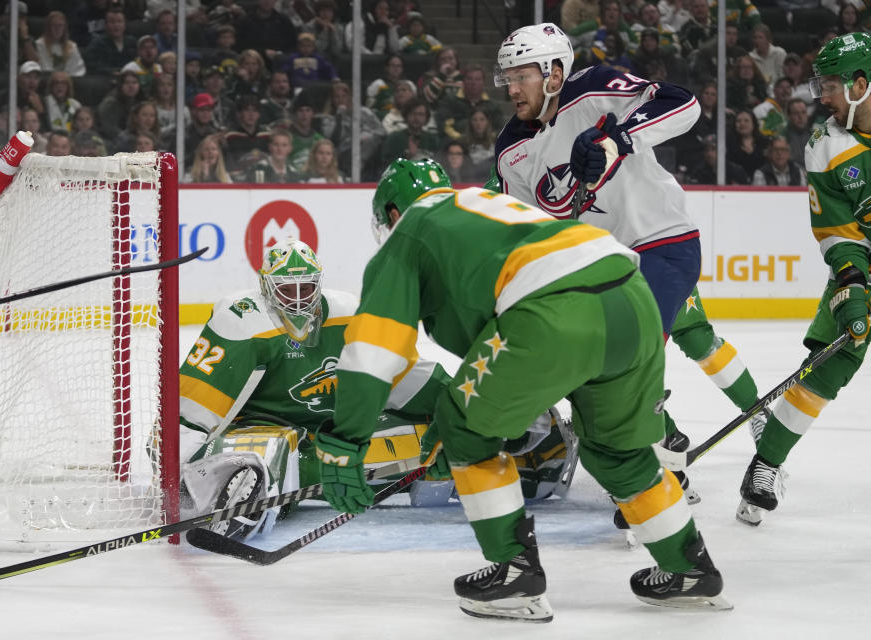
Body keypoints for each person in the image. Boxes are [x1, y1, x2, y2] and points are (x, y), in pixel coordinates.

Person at [316, 158, 730, 621]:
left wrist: (344, 440)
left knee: (465, 429)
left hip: (552, 309)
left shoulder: (412, 229)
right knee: (619, 452)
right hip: (632, 297)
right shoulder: (482, 209)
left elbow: (374, 351)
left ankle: (514, 574)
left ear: (393, 213)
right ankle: (691, 570)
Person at [491, 23, 768, 506]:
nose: (511, 88)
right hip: (599, 268)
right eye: (507, 77)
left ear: (555, 73)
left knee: (646, 352)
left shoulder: (595, 89)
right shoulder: (511, 149)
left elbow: (683, 104)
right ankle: (669, 442)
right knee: (588, 371)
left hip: (660, 243)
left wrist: (616, 141)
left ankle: (665, 479)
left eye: (522, 76)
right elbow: (524, 231)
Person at [178, 238, 451, 540]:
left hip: (329, 432)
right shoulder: (242, 320)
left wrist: (461, 408)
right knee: (267, 456)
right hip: (264, 430)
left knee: (437, 434)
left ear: (318, 283)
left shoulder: (348, 312)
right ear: (267, 286)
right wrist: (174, 471)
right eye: (287, 289)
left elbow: (401, 372)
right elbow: (192, 404)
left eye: (305, 288)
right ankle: (254, 501)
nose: (297, 299)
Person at [737, 32, 871, 526]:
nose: (823, 96)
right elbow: (836, 228)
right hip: (867, 261)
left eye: (831, 85)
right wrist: (852, 282)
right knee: (832, 362)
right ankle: (764, 466)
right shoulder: (825, 144)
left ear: (862, 83)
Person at [34, 10, 86, 77]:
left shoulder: (72, 46)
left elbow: (78, 70)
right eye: (54, 25)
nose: (57, 29)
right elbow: (42, 68)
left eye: (60, 25)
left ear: (65, 28)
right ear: (48, 27)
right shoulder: (40, 44)